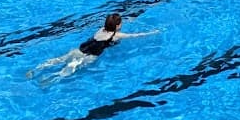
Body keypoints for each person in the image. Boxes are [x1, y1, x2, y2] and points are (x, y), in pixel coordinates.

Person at [29, 11, 158, 79]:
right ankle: (51, 78)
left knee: (60, 59)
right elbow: (135, 36)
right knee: (69, 69)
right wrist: (152, 33)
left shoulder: (101, 29)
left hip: (80, 49)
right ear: (118, 26)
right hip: (90, 56)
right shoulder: (117, 35)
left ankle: (36, 69)